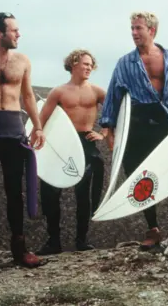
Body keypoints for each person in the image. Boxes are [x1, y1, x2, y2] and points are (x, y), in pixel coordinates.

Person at [99, 11, 168, 250]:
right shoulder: (124, 62)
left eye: (138, 28)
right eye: (132, 28)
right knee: (143, 177)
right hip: (139, 125)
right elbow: (113, 95)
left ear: (152, 30)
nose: (134, 33)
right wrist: (108, 127)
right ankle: (153, 229)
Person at [0, 12, 45, 274]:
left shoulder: (22, 61)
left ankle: (20, 249)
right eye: (14, 30)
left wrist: (37, 126)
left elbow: (27, 95)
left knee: (15, 192)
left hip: (14, 131)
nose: (19, 34)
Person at [32, 49, 106, 255]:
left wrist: (104, 132)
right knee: (51, 191)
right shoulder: (59, 92)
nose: (89, 68)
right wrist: (36, 143)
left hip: (86, 143)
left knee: (84, 194)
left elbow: (116, 112)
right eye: (85, 64)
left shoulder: (97, 92)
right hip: (62, 143)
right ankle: (53, 241)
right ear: (73, 64)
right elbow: (42, 119)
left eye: (91, 65)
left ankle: (82, 240)